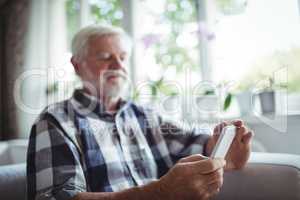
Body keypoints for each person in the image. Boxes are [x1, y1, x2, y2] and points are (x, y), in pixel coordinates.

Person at [27, 24, 253, 200]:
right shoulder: (56, 121)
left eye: (122, 57)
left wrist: (228, 152)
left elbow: (200, 145)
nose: (118, 65)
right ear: (77, 65)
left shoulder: (145, 116)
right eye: (106, 57)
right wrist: (160, 193)